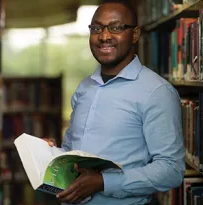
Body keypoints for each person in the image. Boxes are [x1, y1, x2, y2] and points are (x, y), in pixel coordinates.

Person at [44, 0, 185, 204]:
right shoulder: (85, 88)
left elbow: (171, 170)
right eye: (96, 28)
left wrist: (104, 181)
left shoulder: (157, 92)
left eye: (116, 27)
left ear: (135, 35)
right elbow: (73, 153)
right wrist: (51, 153)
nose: (104, 36)